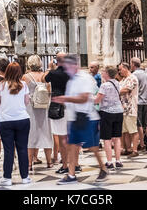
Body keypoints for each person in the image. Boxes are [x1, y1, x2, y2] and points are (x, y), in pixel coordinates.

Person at [52, 54, 107, 184]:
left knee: (92, 147)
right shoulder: (72, 79)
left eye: (67, 66)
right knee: (72, 146)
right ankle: (71, 175)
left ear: (74, 65)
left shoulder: (84, 78)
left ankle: (103, 168)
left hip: (87, 117)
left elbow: (83, 98)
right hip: (75, 117)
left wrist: (65, 99)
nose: (65, 69)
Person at [0, 62, 32, 186]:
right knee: (22, 149)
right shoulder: (24, 85)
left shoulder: (1, 86)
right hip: (22, 119)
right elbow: (26, 102)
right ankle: (25, 177)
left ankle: (7, 178)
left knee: (9, 150)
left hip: (6, 121)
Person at [23, 55, 53, 170]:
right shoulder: (45, 76)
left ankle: (29, 164)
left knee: (31, 134)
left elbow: (23, 92)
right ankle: (49, 162)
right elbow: (49, 91)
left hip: (31, 108)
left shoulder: (26, 77)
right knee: (46, 133)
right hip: (44, 107)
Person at [44, 52, 72, 174]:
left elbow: (44, 79)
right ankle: (74, 164)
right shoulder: (72, 73)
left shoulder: (54, 73)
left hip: (59, 107)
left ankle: (65, 165)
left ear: (56, 61)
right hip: (72, 105)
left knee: (62, 138)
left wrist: (51, 67)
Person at [94, 66, 123, 170]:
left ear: (107, 73)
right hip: (119, 111)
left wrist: (89, 98)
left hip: (107, 112)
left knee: (107, 138)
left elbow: (97, 100)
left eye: (103, 72)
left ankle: (109, 161)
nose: (102, 73)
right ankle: (118, 160)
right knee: (117, 137)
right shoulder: (117, 83)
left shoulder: (104, 85)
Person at [118, 62, 139, 158]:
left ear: (126, 68)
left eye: (120, 69)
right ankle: (128, 149)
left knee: (133, 130)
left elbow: (126, 89)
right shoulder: (124, 79)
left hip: (130, 108)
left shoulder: (132, 78)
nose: (119, 71)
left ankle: (135, 150)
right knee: (125, 131)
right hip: (123, 108)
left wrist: (114, 92)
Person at [130, 58, 147, 151]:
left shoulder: (134, 75)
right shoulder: (145, 74)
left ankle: (142, 144)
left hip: (138, 101)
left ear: (133, 64)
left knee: (139, 124)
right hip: (146, 101)